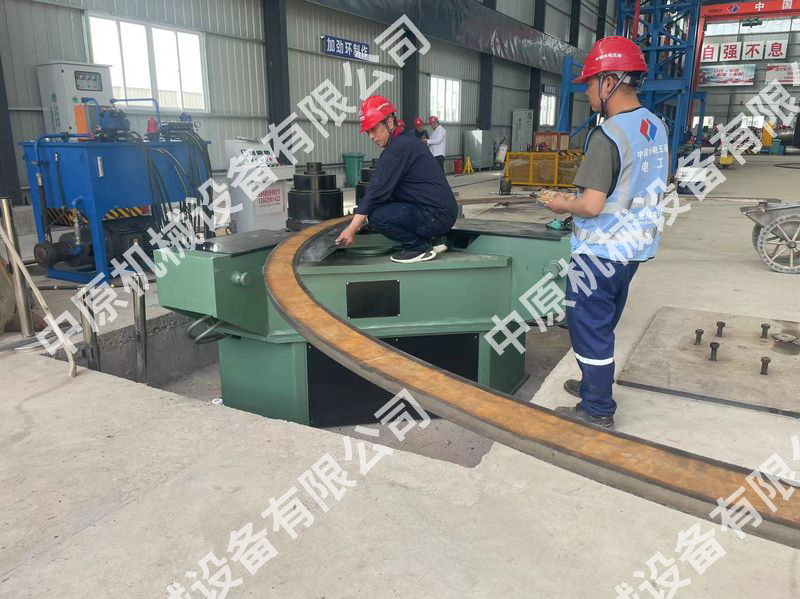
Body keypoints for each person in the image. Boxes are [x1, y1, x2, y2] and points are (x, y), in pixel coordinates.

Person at [539, 36, 669, 428]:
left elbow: (593, 205)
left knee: (589, 328)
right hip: (634, 250)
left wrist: (561, 203)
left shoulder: (608, 134)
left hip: (600, 251)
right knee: (602, 322)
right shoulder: (656, 127)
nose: (588, 92)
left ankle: (597, 409)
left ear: (610, 81)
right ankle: (592, 385)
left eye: (591, 83)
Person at [335, 95, 458, 264]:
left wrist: (352, 229)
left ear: (390, 123)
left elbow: (375, 192)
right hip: (439, 211)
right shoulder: (406, 142)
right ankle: (434, 238)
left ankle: (418, 247)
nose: (371, 136)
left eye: (374, 129)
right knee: (382, 203)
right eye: (368, 131)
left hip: (436, 216)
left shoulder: (397, 150)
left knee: (377, 217)